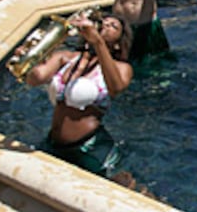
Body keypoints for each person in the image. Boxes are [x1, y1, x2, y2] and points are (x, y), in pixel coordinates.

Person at [19, 11, 133, 176]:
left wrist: (98, 43)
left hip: (91, 148)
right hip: (54, 144)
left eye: (113, 26)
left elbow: (115, 87)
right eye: (104, 22)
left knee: (123, 191)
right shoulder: (65, 57)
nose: (106, 25)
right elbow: (35, 79)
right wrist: (29, 57)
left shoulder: (121, 68)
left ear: (117, 44)